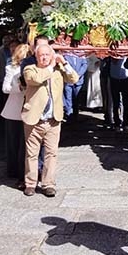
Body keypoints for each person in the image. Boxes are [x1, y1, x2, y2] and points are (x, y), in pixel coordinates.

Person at [22, 44, 79, 197]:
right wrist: (51, 66)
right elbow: (36, 79)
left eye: (48, 54)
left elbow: (74, 78)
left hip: (53, 119)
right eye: (42, 55)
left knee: (51, 153)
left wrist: (64, 63)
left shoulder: (58, 70)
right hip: (34, 120)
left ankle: (48, 184)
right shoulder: (30, 69)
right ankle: (30, 183)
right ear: (36, 56)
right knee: (31, 154)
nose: (45, 57)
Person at [1, 43, 31, 185]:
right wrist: (18, 86)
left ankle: (24, 171)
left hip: (29, 110)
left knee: (25, 144)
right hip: (13, 110)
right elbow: (5, 89)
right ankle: (12, 169)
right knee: (13, 143)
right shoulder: (11, 69)